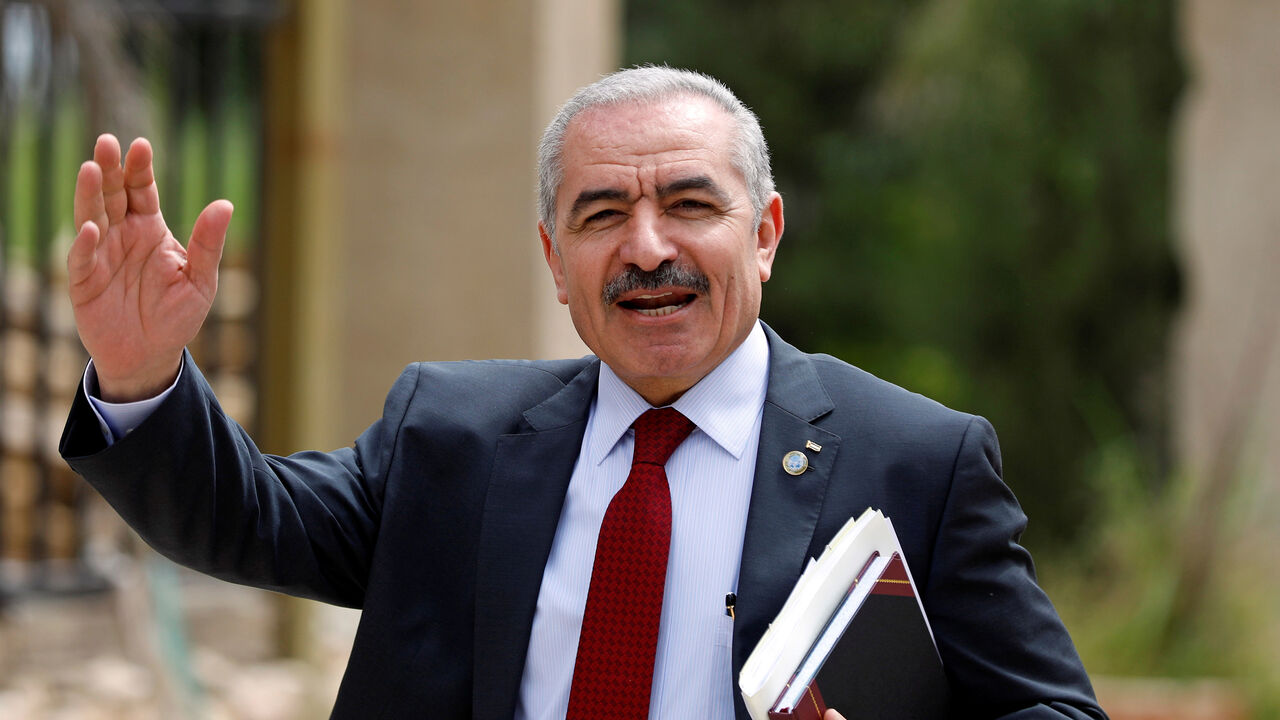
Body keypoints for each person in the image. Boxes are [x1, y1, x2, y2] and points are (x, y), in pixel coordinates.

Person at [61, 66, 1106, 719]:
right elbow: (245, 521)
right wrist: (144, 372)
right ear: (555, 262)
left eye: (689, 203)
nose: (646, 248)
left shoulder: (915, 459)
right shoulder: (451, 436)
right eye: (602, 215)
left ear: (765, 234)